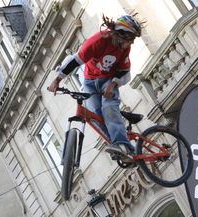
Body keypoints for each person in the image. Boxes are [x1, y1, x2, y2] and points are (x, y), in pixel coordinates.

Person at [48, 14, 142, 161]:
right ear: (120, 34)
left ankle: (122, 145)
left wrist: (112, 85)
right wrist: (57, 80)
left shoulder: (124, 49)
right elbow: (76, 60)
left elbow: (124, 71)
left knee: (108, 107)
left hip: (109, 80)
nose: (131, 43)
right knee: (95, 116)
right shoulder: (98, 41)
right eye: (130, 39)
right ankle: (117, 148)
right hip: (90, 81)